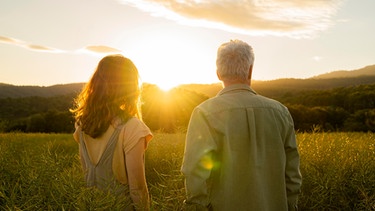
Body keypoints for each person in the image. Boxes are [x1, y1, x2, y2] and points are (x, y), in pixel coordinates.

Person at [181, 40, 302, 211]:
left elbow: (195, 170)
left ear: (218, 73)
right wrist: (290, 203)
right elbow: (292, 171)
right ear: (250, 70)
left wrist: (198, 205)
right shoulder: (281, 112)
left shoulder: (204, 113)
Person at [71, 54, 153, 210]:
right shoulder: (133, 127)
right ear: (129, 87)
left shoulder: (81, 123)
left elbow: (85, 173)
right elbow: (138, 189)